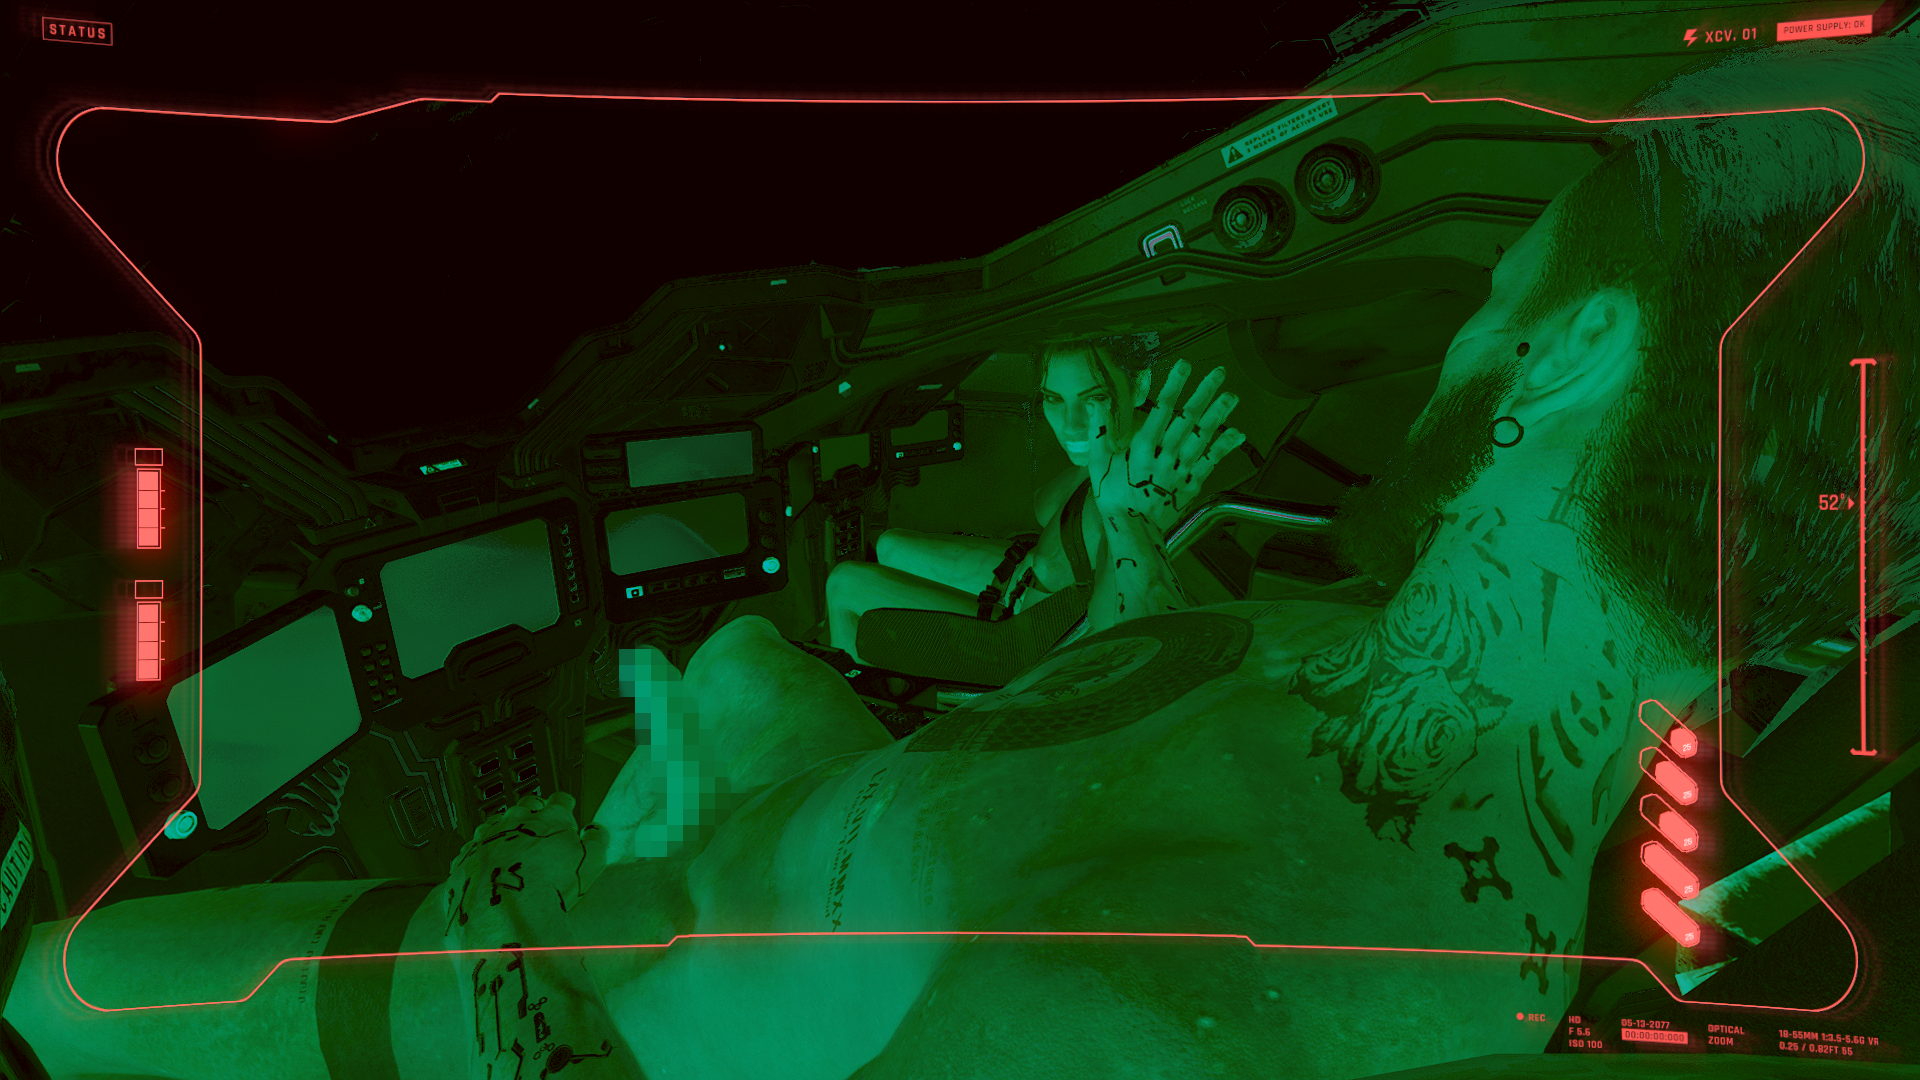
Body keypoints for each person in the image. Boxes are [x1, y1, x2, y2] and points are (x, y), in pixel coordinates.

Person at [8, 33, 1918, 1080]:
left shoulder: (1182, 1008)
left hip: (542, 969)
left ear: (1575, 355)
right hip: (712, 846)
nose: (1476, 300)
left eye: (1516, 266)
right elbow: (1141, 707)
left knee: (41, 988)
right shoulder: (1354, 652)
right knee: (749, 660)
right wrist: (1137, 534)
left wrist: (568, 965)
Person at [823, 337, 1231, 664]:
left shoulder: (1137, 485)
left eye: (1094, 398)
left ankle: (854, 705)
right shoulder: (1115, 445)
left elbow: (1124, 634)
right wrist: (1093, 455)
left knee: (843, 584)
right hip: (1019, 576)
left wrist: (1126, 513)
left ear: (1139, 385)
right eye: (1054, 399)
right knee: (890, 543)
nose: (1072, 423)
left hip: (1022, 637)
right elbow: (1043, 505)